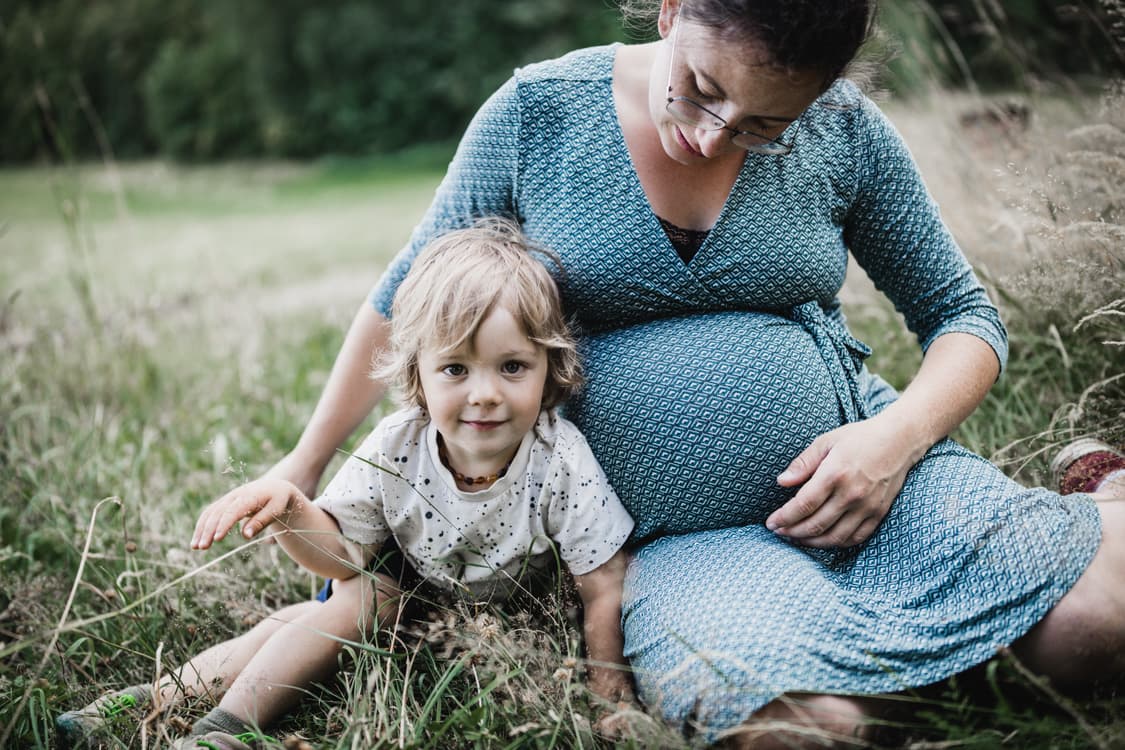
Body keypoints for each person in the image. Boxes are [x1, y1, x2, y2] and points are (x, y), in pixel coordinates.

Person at [56, 219, 636, 750]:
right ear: (419, 374)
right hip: (394, 592)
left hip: (483, 624)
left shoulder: (559, 458)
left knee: (303, 624)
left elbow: (602, 584)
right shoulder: (397, 444)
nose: (484, 393)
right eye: (456, 369)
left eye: (512, 367)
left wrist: (609, 690)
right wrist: (290, 512)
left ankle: (184, 719)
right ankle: (170, 714)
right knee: (349, 604)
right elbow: (337, 556)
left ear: (549, 366)